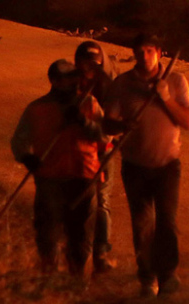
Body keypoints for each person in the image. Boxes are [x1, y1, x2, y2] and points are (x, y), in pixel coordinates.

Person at [105, 33, 189, 298]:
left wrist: (165, 98)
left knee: (167, 222)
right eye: (139, 51)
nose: (144, 56)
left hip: (168, 164)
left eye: (149, 51)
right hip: (134, 165)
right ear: (134, 54)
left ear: (159, 52)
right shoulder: (122, 84)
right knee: (142, 223)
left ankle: (168, 275)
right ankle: (147, 277)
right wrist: (122, 126)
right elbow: (107, 124)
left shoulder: (176, 81)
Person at [10, 59, 105, 277]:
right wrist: (27, 158)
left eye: (74, 78)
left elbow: (104, 138)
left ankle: (77, 281)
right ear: (53, 81)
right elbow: (19, 140)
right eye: (66, 79)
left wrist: (83, 122)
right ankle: (49, 283)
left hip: (84, 177)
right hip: (49, 178)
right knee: (48, 235)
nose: (72, 83)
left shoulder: (89, 104)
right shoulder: (37, 108)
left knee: (80, 236)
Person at [75, 40, 118, 274]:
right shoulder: (71, 84)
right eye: (85, 61)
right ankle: (77, 250)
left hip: (104, 150)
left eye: (94, 61)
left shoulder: (109, 85)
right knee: (79, 201)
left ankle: (101, 252)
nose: (89, 66)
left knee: (102, 202)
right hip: (76, 151)